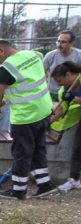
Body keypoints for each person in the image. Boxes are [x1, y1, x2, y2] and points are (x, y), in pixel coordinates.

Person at [0, 39, 58, 200]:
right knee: (38, 148)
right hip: (44, 109)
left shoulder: (6, 69)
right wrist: (8, 99)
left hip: (25, 116)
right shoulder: (34, 55)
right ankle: (45, 183)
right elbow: (27, 83)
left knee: (22, 152)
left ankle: (19, 189)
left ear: (2, 51)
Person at [50, 61, 81, 192]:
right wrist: (46, 123)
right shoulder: (65, 90)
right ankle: (74, 180)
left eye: (59, 81)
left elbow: (74, 100)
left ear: (68, 75)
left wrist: (75, 99)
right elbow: (61, 110)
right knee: (77, 149)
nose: (58, 85)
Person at [42, 30, 81, 102]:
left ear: (72, 43)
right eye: (58, 41)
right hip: (52, 93)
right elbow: (41, 73)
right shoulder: (50, 55)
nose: (59, 44)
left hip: (72, 94)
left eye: (63, 42)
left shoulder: (79, 55)